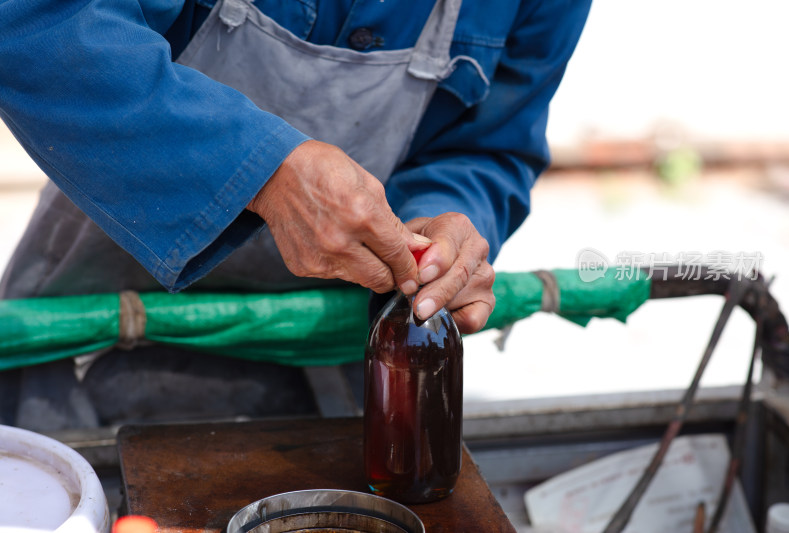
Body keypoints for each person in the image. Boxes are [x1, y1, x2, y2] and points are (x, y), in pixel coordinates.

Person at [0, 0, 592, 430]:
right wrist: (260, 172)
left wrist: (447, 218)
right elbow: (41, 25)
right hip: (98, 324)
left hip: (334, 356)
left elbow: (487, 145)